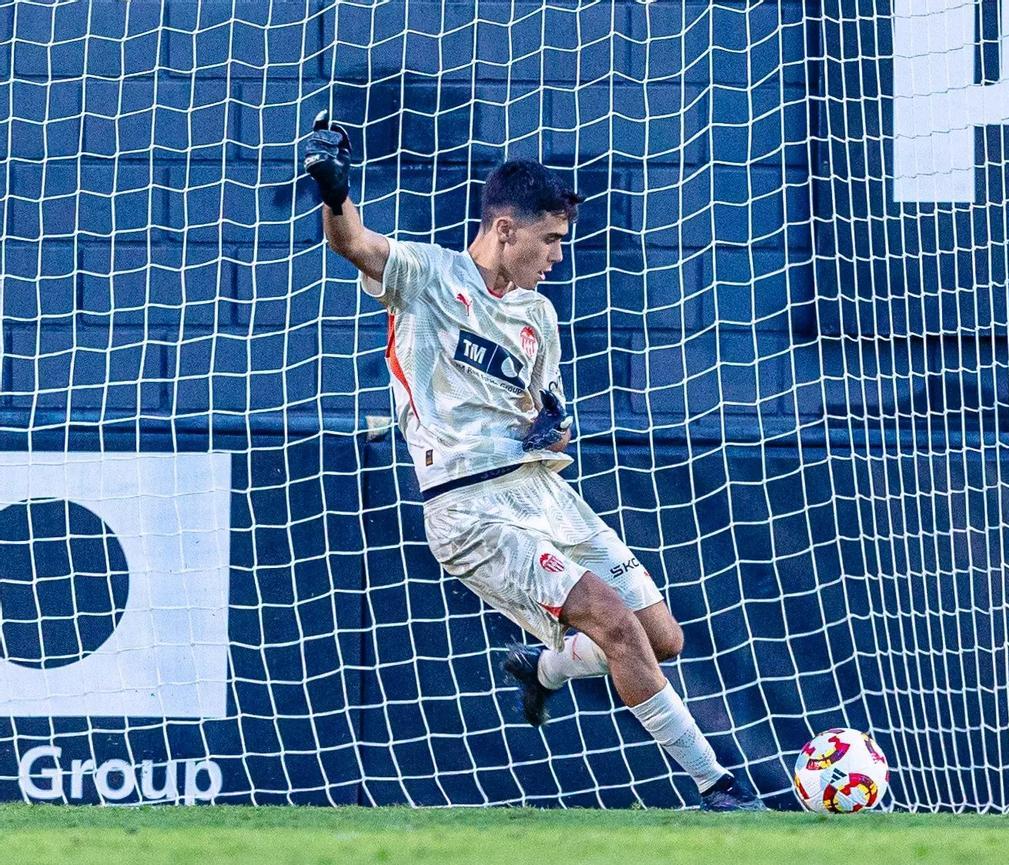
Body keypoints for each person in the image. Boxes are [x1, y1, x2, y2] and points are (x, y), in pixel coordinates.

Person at [303, 112, 764, 811]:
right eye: (550, 239)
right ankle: (721, 787)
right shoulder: (429, 275)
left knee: (660, 637)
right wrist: (335, 191)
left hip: (544, 495)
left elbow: (546, 418)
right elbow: (355, 243)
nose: (557, 255)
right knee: (611, 621)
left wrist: (552, 427)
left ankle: (546, 668)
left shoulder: (538, 316)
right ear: (505, 228)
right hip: (470, 506)